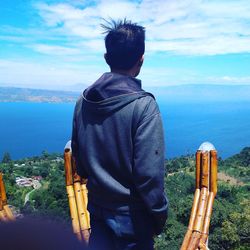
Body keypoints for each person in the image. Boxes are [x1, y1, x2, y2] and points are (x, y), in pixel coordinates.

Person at [71, 19, 168, 250]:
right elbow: (149, 175)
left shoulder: (83, 101)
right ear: (141, 59)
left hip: (96, 208)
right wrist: (159, 214)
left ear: (106, 58)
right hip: (132, 219)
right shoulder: (144, 106)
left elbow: (80, 162)